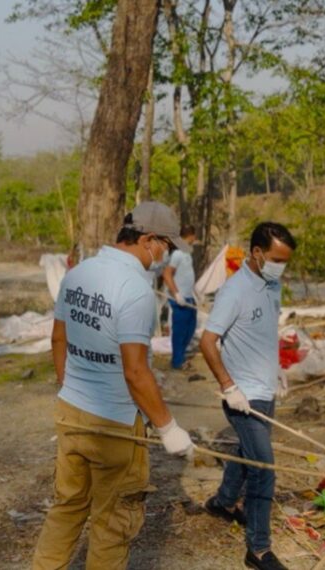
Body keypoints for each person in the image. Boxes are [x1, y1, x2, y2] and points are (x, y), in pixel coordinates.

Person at [32, 201, 195, 570]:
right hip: (115, 424)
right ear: (148, 240)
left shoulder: (79, 273)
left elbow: (58, 339)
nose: (165, 256)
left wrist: (72, 387)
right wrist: (168, 428)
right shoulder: (135, 290)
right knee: (113, 523)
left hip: (71, 412)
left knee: (67, 506)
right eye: (166, 246)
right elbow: (135, 372)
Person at [199, 222, 296, 570]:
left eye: (285, 261)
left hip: (265, 388)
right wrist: (229, 386)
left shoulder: (273, 286)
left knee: (247, 452)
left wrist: (277, 368)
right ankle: (258, 549)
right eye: (276, 260)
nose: (281, 267)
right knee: (263, 468)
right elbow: (207, 342)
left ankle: (224, 502)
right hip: (243, 396)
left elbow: (265, 331)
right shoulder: (234, 291)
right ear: (257, 253)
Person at [162, 225, 198, 369]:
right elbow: (167, 274)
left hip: (189, 297)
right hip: (179, 298)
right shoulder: (177, 254)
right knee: (180, 330)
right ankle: (177, 361)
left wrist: (194, 294)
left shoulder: (187, 253)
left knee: (191, 327)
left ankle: (181, 356)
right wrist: (176, 294)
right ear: (191, 236)